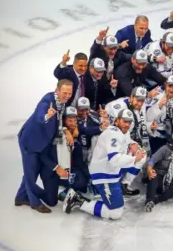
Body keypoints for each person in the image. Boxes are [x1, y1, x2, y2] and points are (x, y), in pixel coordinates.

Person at [62, 109, 146, 220]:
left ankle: (124, 184)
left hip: (111, 172)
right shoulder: (114, 134)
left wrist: (132, 144)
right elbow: (114, 158)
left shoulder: (121, 132)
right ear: (117, 121)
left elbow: (127, 140)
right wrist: (135, 158)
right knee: (115, 213)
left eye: (129, 122)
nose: (127, 124)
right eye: (124, 121)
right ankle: (77, 200)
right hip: (105, 175)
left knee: (141, 157)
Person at [15, 80, 73, 213]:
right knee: (30, 173)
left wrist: (64, 128)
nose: (67, 95)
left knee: (33, 171)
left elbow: (58, 119)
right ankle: (34, 202)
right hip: (30, 142)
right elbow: (39, 116)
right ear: (57, 90)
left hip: (42, 142)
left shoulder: (62, 102)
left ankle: (20, 197)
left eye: (69, 93)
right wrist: (47, 116)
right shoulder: (47, 101)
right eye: (64, 92)